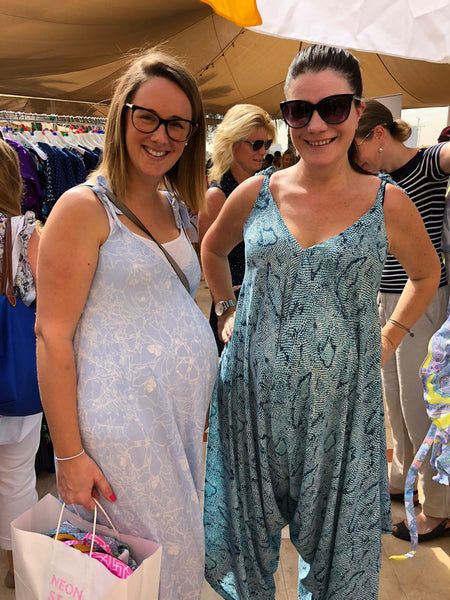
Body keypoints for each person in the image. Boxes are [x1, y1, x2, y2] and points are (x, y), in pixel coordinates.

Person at [201, 44, 441, 600]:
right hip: (250, 403)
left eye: (333, 107)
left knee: (340, 563)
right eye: (298, 110)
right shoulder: (256, 192)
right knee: (247, 550)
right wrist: (227, 308)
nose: (315, 124)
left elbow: (426, 275)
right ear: (286, 117)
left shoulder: (388, 202)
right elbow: (213, 251)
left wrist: (389, 335)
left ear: (358, 112)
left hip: (343, 411)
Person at [35, 48, 218, 600]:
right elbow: (52, 335)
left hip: (175, 430)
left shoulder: (175, 206)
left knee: (152, 575)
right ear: (122, 115)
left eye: (177, 124)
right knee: (148, 575)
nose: (161, 134)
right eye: (148, 117)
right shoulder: (82, 207)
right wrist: (67, 456)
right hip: (120, 436)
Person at [355, 99, 450, 542]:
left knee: (422, 406)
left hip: (423, 295)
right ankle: (402, 479)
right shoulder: (374, 180)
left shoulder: (429, 163)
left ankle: (437, 506)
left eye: (354, 141)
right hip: (387, 297)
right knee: (394, 402)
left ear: (377, 136)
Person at [198, 103, 275, 354]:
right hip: (235, 308)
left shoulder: (265, 187)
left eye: (266, 144)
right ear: (233, 143)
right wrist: (225, 309)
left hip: (267, 302)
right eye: (255, 144)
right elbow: (208, 257)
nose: (263, 151)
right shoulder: (217, 195)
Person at [0, 139, 41, 590]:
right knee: (15, 475)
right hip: (18, 382)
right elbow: (50, 306)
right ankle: (16, 565)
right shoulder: (27, 231)